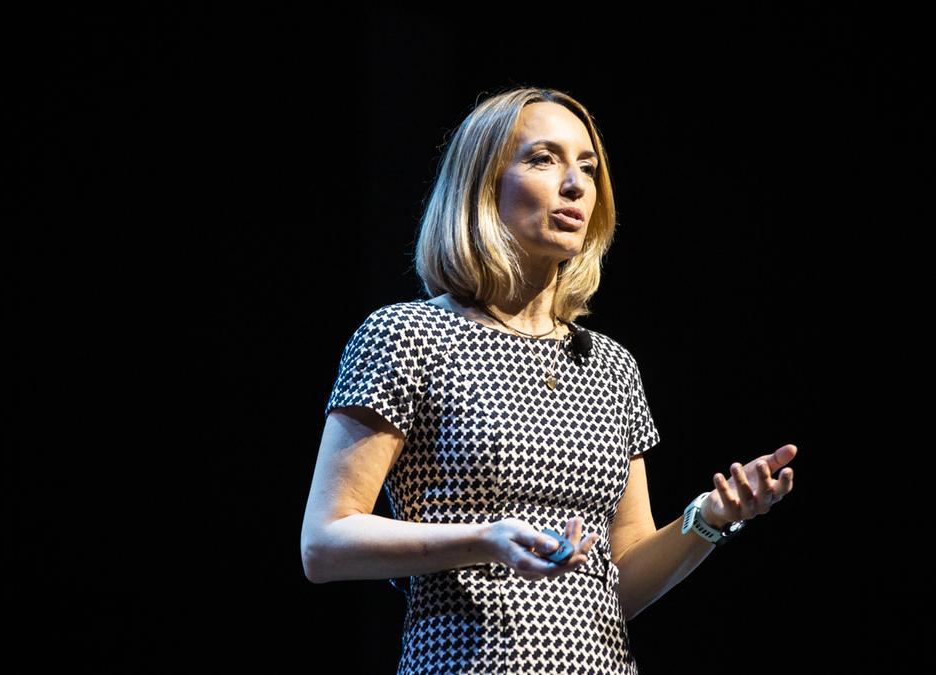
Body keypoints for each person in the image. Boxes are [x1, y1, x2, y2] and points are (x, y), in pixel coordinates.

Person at [301, 86, 798, 674]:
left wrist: (710, 518)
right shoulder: (406, 336)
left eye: (588, 167)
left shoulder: (611, 366)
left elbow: (621, 584)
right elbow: (325, 544)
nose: (576, 184)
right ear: (484, 185)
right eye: (543, 159)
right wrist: (485, 539)